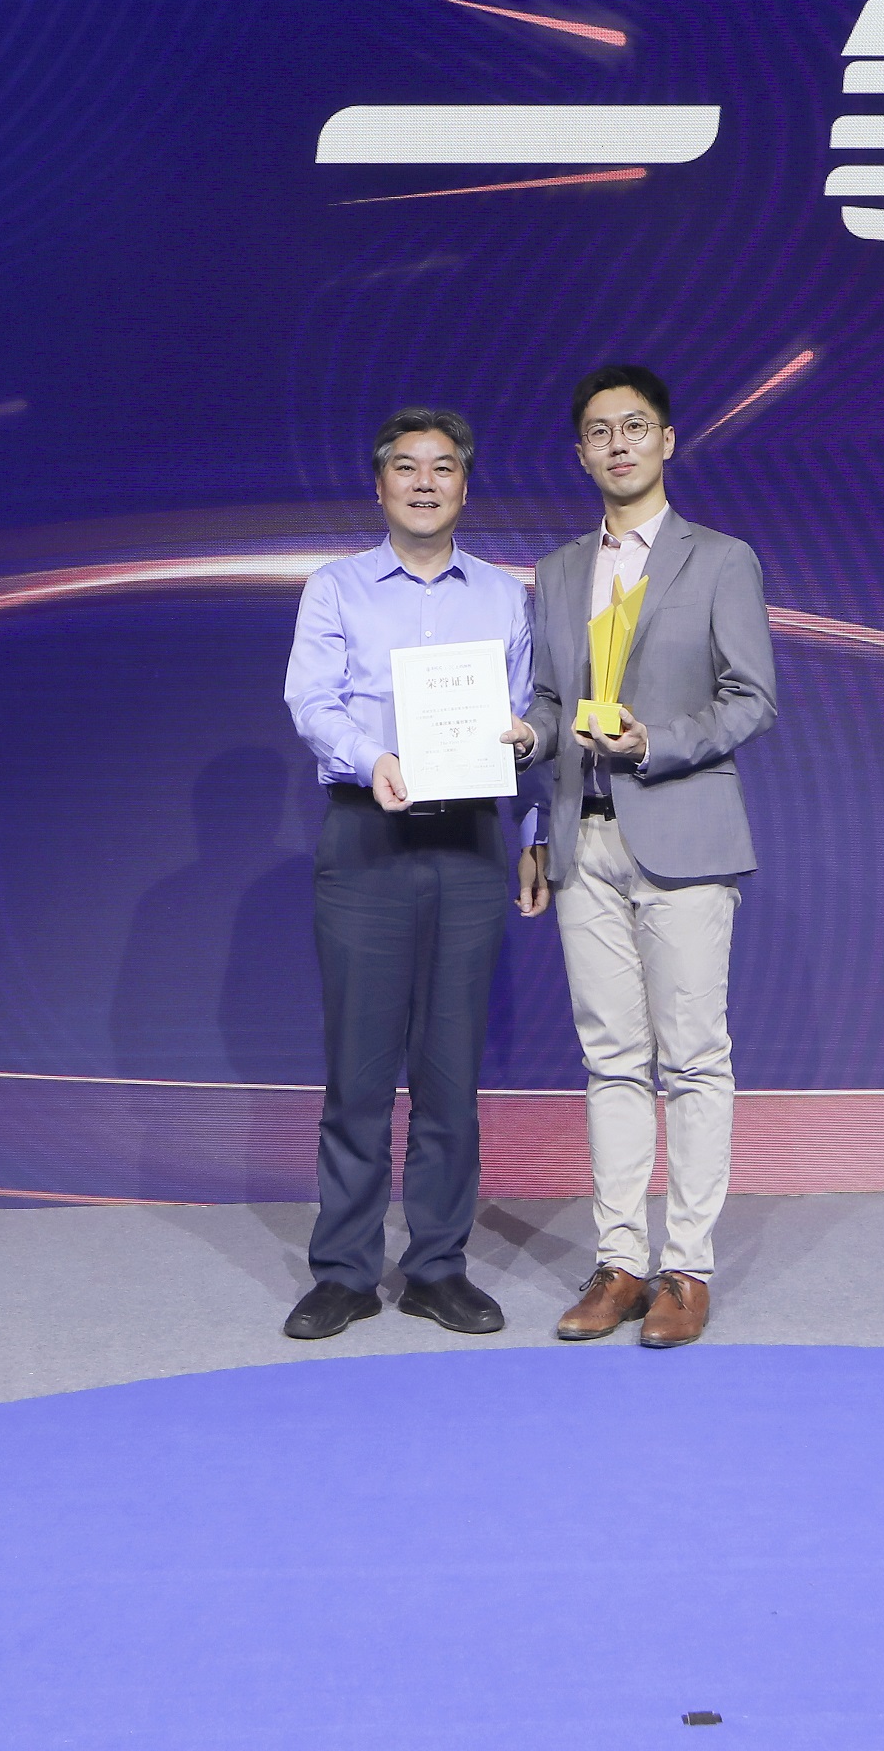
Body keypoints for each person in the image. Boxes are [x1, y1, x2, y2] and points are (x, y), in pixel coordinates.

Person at [519, 364, 777, 1347]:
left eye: (634, 426)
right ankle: (620, 1260)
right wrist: (528, 755)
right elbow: (551, 705)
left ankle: (686, 1268)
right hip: (582, 838)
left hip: (684, 834)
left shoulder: (721, 560)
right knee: (611, 1059)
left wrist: (652, 743)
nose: (618, 443)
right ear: (579, 454)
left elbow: (752, 697)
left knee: (695, 1058)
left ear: (667, 441)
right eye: (599, 431)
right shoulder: (556, 571)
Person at [278, 408, 543, 1341]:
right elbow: (311, 701)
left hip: (469, 844)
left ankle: (437, 1267)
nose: (424, 483)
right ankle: (345, 1272)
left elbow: (526, 719)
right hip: (367, 836)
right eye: (405, 467)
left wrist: (534, 828)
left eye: (442, 468)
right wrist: (371, 757)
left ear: (466, 485)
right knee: (357, 1072)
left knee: (449, 1072)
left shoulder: (505, 597)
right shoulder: (335, 588)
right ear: (380, 484)